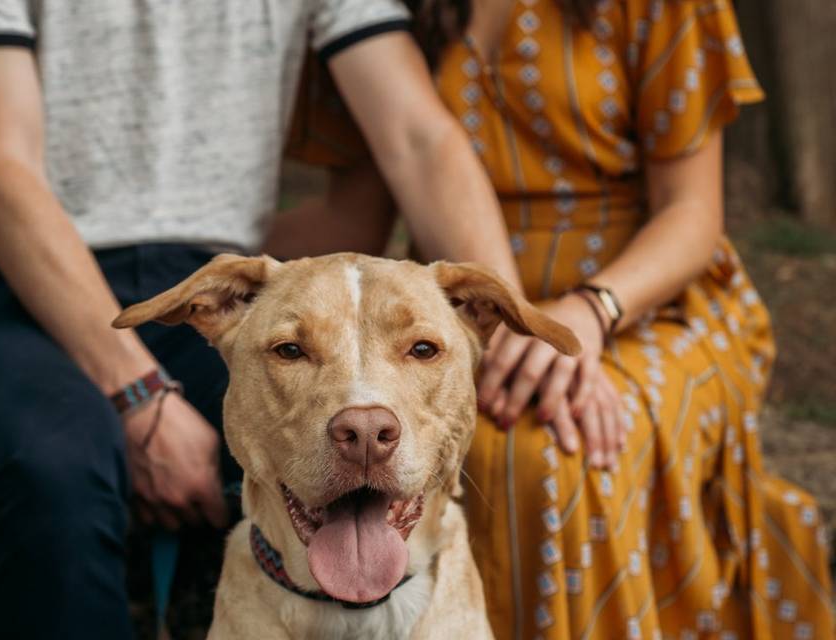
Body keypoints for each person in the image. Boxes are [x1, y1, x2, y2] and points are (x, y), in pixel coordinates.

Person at [0, 1, 533, 637]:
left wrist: (508, 342)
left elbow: (419, 138)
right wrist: (139, 393)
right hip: (12, 282)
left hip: (211, 287)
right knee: (54, 465)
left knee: (344, 438)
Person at [282, 0, 835, 637]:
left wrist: (591, 312)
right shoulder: (379, 10)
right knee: (451, 445)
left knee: (558, 453)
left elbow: (693, 215)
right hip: (464, 313)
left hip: (645, 297)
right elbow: (356, 219)